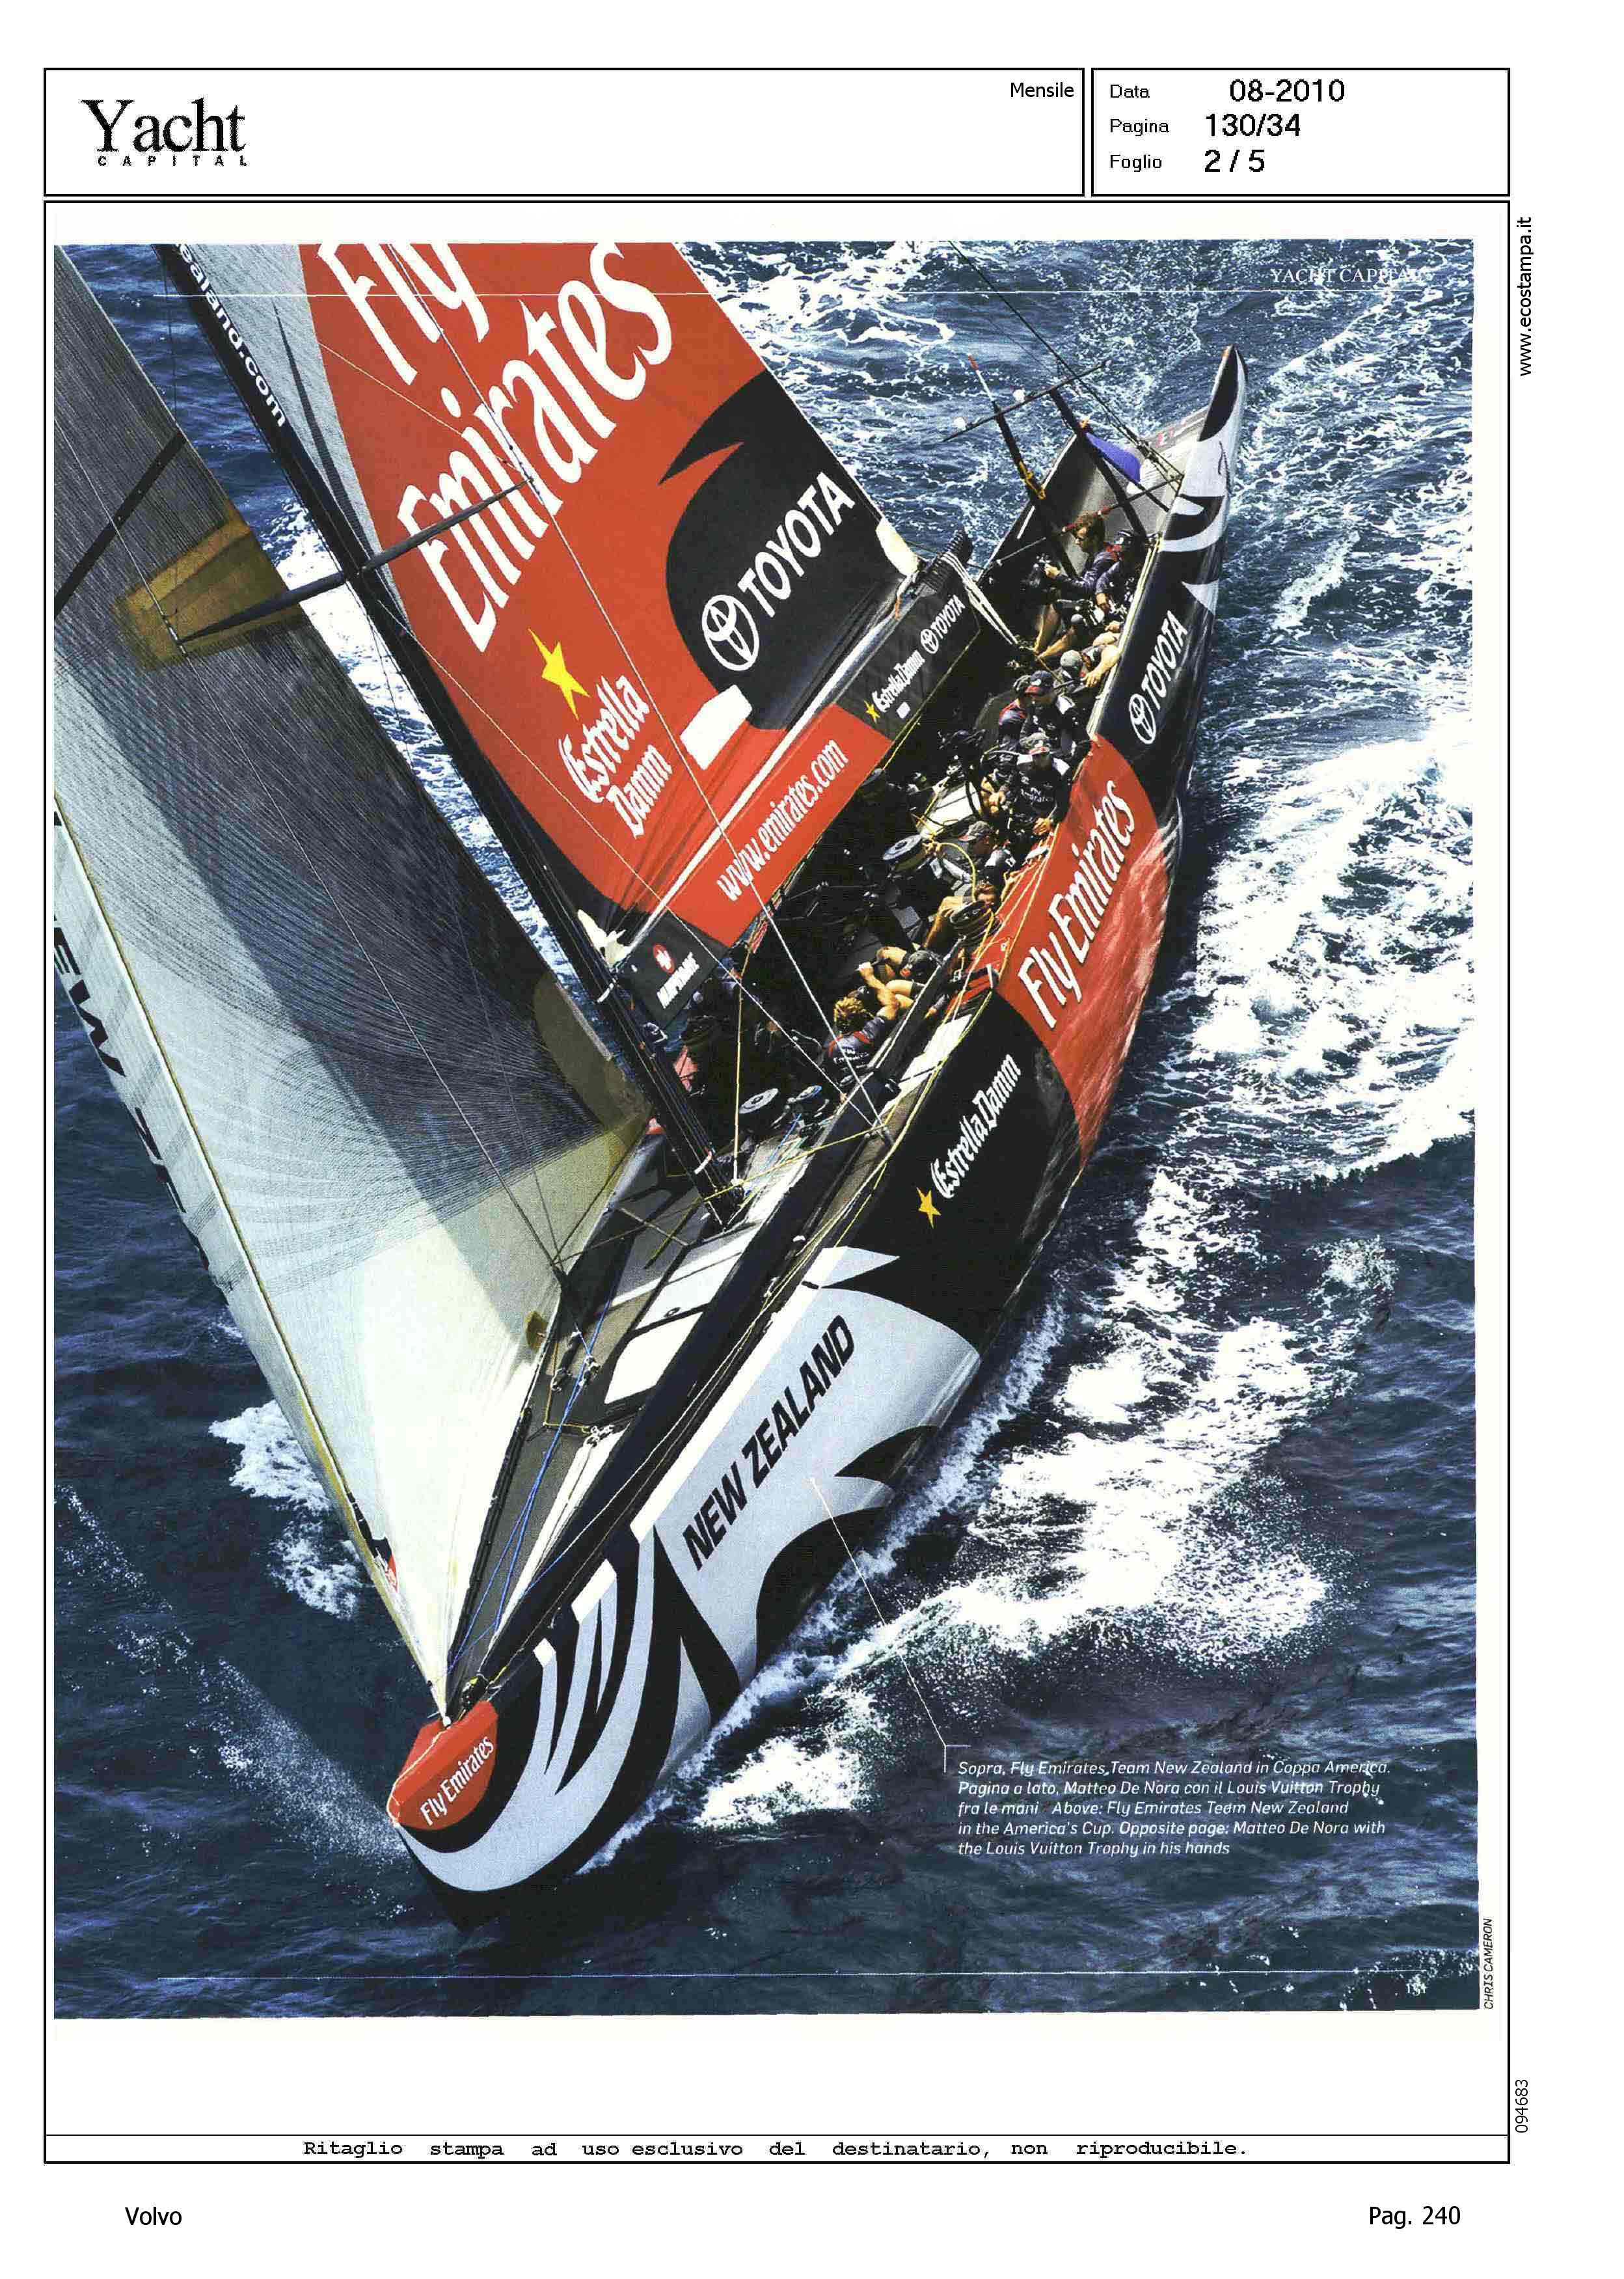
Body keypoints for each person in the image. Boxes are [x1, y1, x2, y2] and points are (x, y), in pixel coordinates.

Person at [825, 990, 897, 1080]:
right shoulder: (870, 1031)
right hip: (881, 1074)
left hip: (855, 1083)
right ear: (863, 1015)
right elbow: (893, 1004)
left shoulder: (830, 1050)